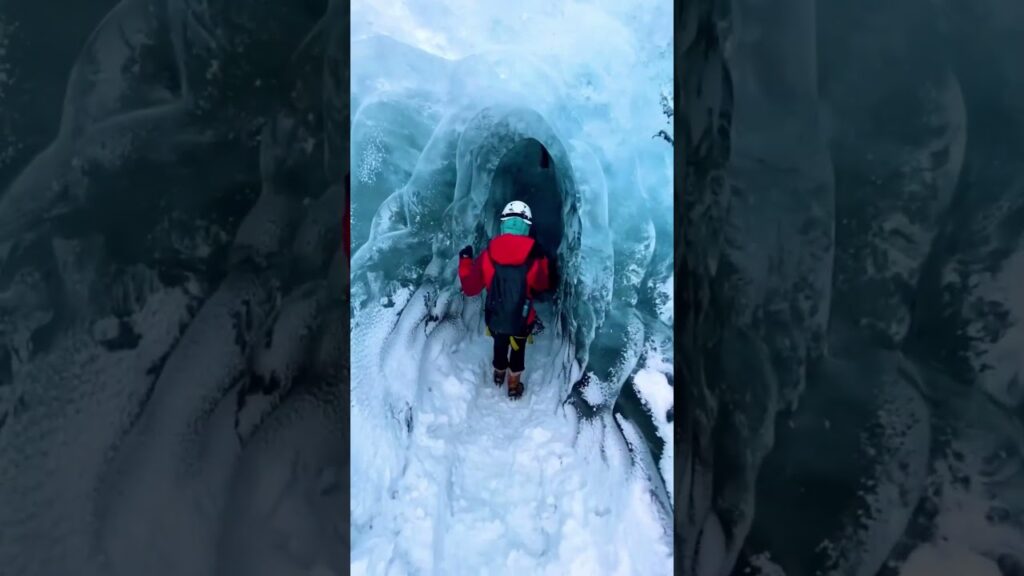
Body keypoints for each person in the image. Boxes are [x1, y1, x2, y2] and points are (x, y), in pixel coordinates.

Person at [458, 200, 553, 399]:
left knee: (500, 343)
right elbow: (542, 285)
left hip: (495, 317)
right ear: (527, 227)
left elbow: (470, 287)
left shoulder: (488, 255)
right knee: (518, 349)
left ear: (503, 225)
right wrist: (543, 263)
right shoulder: (535, 256)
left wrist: (466, 261)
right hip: (522, 319)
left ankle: (498, 374)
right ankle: (513, 385)